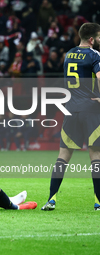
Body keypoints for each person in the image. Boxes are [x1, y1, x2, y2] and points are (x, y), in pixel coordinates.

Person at [41, 23, 100, 211]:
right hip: (91, 110)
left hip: (71, 109)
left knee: (63, 157)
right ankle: (99, 203)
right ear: (91, 39)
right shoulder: (95, 55)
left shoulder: (69, 55)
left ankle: (51, 199)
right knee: (96, 157)